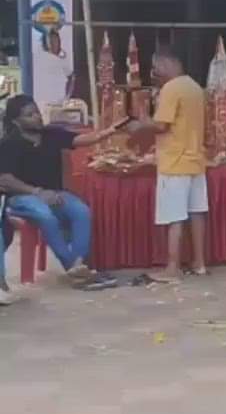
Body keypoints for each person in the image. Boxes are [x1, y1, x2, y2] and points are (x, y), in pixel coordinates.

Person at [0, 94, 123, 302]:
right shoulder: (9, 144)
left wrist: (107, 132)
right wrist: (38, 192)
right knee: (45, 215)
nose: (37, 117)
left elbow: (81, 139)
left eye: (37, 112)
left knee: (81, 211)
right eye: (30, 115)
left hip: (55, 194)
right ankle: (74, 268)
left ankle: (77, 266)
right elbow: (6, 179)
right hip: (22, 197)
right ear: (16, 121)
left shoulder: (51, 134)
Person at [129, 47, 207, 282]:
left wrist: (141, 124)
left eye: (156, 67)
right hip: (195, 159)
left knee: (174, 216)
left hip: (174, 160)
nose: (155, 73)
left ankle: (172, 268)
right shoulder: (194, 86)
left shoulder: (171, 88)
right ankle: (199, 263)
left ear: (167, 63)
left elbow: (163, 125)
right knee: (196, 213)